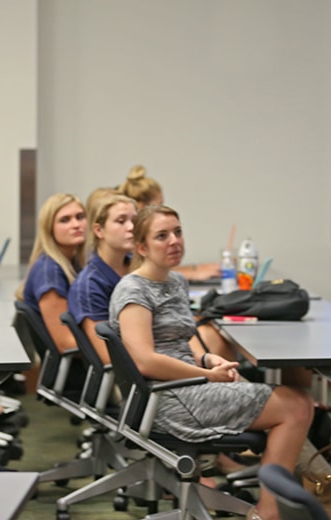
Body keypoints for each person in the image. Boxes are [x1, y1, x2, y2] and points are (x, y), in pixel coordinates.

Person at [109, 204, 313, 520]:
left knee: (293, 400)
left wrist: (206, 357)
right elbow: (146, 361)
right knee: (295, 405)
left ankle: (270, 509)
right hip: (166, 399)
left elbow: (173, 344)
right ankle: (269, 513)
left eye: (177, 232)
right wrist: (205, 373)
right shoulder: (133, 290)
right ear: (141, 247)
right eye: (162, 236)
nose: (174, 241)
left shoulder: (174, 282)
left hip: (182, 385)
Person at [68, 191, 138, 365]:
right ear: (99, 230)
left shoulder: (139, 269)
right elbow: (108, 355)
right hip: (134, 375)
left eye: (134, 221)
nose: (131, 227)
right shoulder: (89, 285)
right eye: (121, 221)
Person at [118, 165, 220, 282]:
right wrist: (193, 273)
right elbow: (146, 274)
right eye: (159, 205)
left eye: (178, 232)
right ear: (143, 209)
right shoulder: (128, 243)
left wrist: (194, 268)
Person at [18, 193, 87, 353]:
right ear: (49, 228)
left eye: (80, 217)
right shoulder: (49, 273)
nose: (76, 224)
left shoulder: (73, 262)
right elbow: (65, 343)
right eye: (65, 220)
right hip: (73, 372)